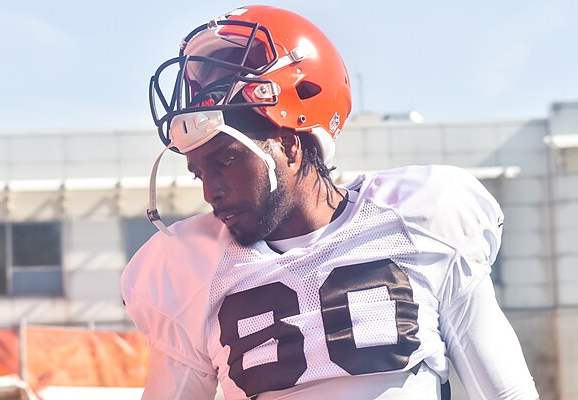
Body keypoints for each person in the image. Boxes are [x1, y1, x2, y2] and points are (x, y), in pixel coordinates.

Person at [121, 5, 539, 399]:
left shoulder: (422, 220)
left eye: (226, 161)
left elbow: (506, 392)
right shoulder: (193, 267)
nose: (210, 191)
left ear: (287, 145)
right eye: (198, 171)